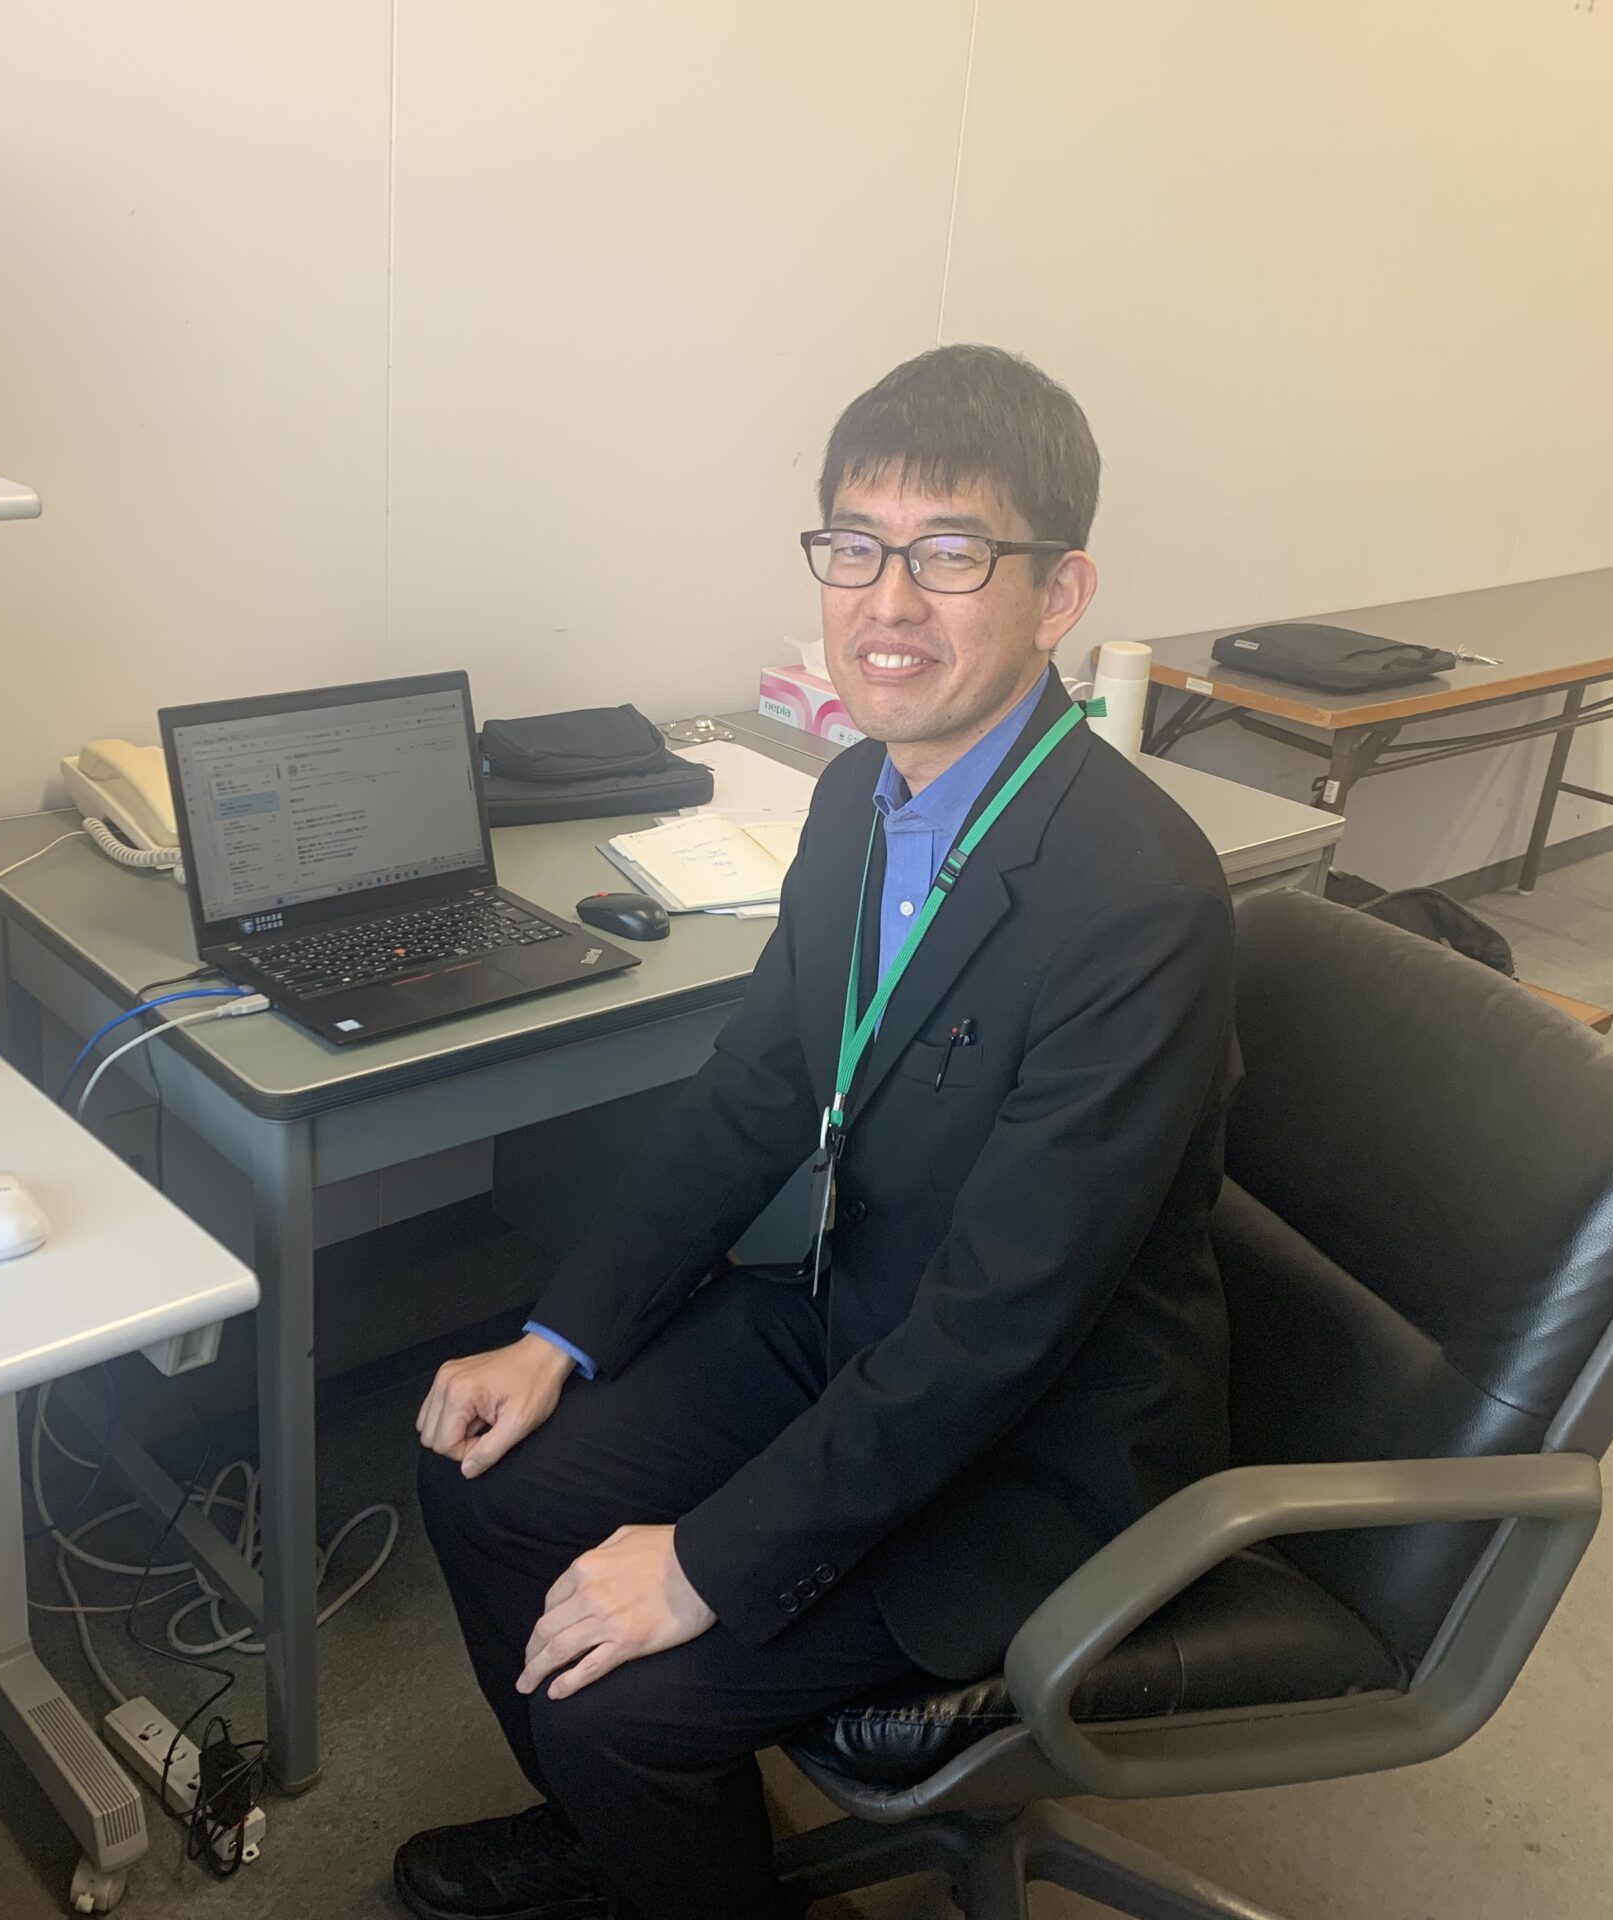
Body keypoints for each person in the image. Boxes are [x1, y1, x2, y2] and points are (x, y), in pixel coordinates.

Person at [395, 344, 1238, 1920]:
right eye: (855, 547)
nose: (887, 603)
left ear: (1057, 593)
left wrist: (700, 1564)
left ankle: (634, 1807)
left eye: (949, 555)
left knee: (638, 1702)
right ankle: (611, 1837)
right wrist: (559, 1337)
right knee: (485, 1481)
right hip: (859, 1325)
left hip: (1033, 1442)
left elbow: (1002, 1329)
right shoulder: (858, 799)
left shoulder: (1135, 897)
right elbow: (753, 1097)